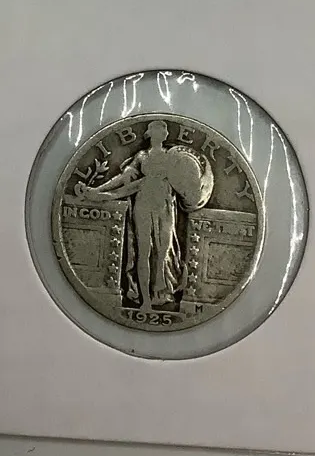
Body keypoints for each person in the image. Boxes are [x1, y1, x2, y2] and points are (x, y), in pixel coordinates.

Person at [76, 120, 214, 312]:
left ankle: (161, 293)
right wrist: (97, 191)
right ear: (150, 134)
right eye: (157, 131)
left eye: (163, 131)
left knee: (164, 251)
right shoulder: (141, 156)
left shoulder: (173, 156)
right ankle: (146, 301)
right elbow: (123, 179)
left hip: (165, 206)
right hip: (143, 202)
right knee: (143, 253)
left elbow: (188, 181)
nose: (161, 134)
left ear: (165, 135)